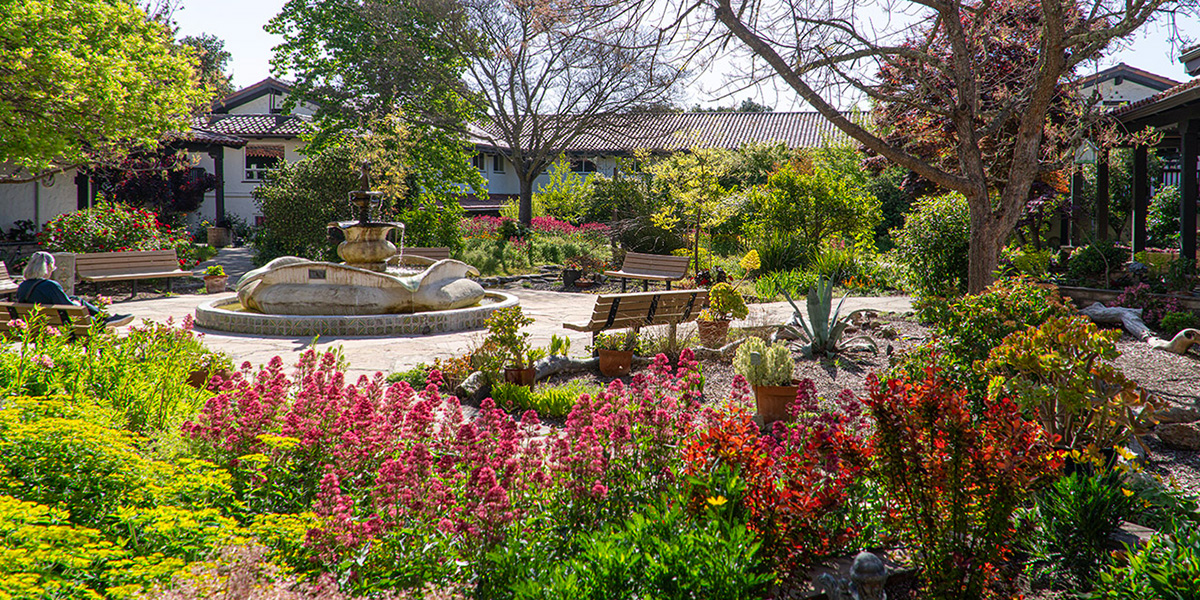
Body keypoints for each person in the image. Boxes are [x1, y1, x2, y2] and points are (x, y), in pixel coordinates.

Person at [16, 252, 133, 327]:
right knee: (90, 318)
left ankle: (106, 318)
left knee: (75, 298)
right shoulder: (49, 285)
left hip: (37, 324)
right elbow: (68, 308)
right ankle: (105, 320)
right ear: (48, 267)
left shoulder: (23, 286)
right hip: (60, 324)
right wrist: (76, 304)